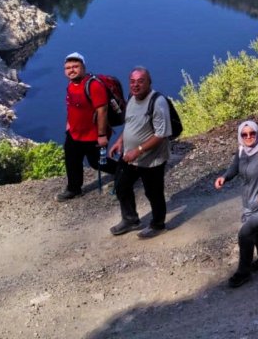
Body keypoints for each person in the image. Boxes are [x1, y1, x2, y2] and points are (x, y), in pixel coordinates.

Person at [214, 120, 258, 288]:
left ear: (257, 133)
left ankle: (243, 272)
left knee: (245, 234)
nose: (248, 137)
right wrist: (224, 177)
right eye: (244, 134)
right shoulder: (241, 151)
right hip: (247, 202)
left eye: (252, 133)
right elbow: (234, 168)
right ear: (240, 136)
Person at [108, 67, 172, 238]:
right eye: (132, 81)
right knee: (121, 185)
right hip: (130, 155)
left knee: (153, 193)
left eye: (140, 81)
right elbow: (130, 124)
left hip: (152, 159)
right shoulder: (131, 98)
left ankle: (158, 224)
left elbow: (161, 134)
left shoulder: (157, 102)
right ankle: (130, 219)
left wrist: (138, 150)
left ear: (149, 82)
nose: (135, 85)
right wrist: (120, 141)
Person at [56, 51, 112, 202]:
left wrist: (102, 135)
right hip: (74, 133)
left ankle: (124, 171)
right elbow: (71, 106)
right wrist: (68, 126)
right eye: (68, 68)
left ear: (83, 68)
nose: (71, 70)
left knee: (97, 163)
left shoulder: (93, 85)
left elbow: (102, 111)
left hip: (92, 135)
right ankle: (74, 189)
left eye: (75, 67)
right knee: (71, 161)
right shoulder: (71, 85)